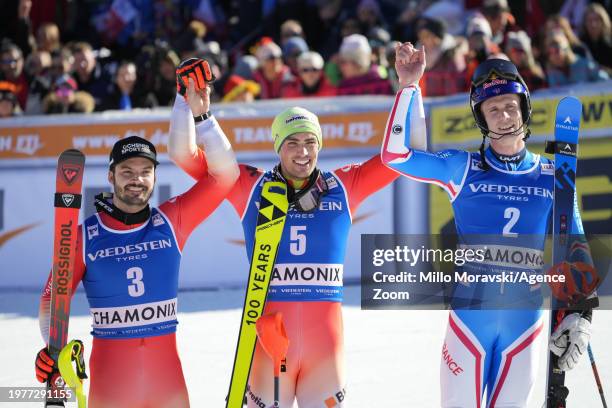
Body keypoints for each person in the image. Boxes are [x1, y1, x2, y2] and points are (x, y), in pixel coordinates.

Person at [169, 58, 411, 407]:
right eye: (292, 143)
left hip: (323, 350)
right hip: (268, 346)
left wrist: (407, 88)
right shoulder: (249, 186)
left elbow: (396, 157)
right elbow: (183, 155)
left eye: (310, 142)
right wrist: (184, 101)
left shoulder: (343, 186)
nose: (303, 152)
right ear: (278, 147)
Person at [381, 44, 596, 407]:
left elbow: (576, 245)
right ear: (481, 117)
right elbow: (395, 155)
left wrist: (581, 315)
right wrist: (409, 86)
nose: (504, 115)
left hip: (524, 327)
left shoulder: (552, 175)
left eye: (511, 105)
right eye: (493, 109)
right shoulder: (461, 168)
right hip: (469, 325)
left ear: (524, 108)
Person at [34, 73, 239, 407]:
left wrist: (194, 109)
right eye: (127, 171)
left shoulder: (171, 220)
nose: (137, 180)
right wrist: (54, 349)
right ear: (111, 175)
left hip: (168, 386)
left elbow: (226, 175)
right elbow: (51, 298)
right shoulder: (84, 235)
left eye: (145, 171)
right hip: (112, 388)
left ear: (155, 176)